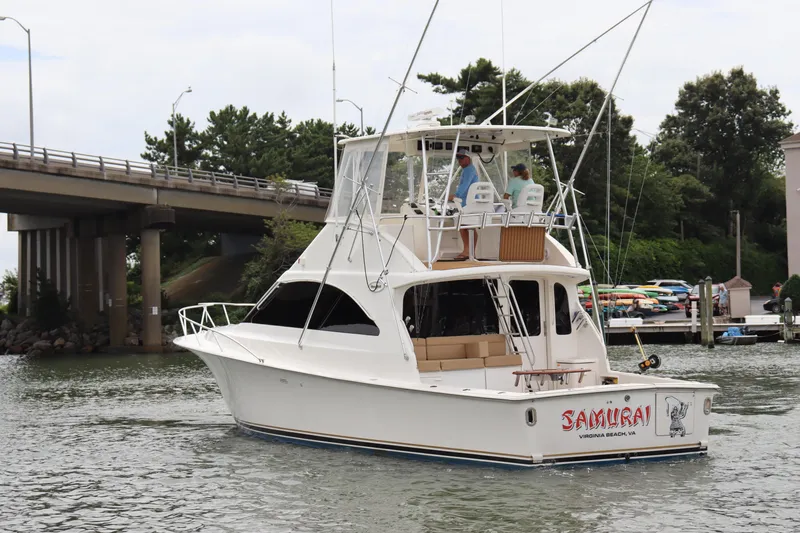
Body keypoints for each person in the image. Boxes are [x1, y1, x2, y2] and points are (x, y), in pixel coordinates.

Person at [448, 148, 480, 260]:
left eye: (461, 158)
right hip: (472, 202)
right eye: (458, 158)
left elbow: (465, 185)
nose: (459, 160)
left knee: (462, 225)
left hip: (468, 203)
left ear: (468, 158)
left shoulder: (468, 170)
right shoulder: (470, 169)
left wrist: (455, 196)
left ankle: (467, 251)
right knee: (469, 227)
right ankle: (471, 252)